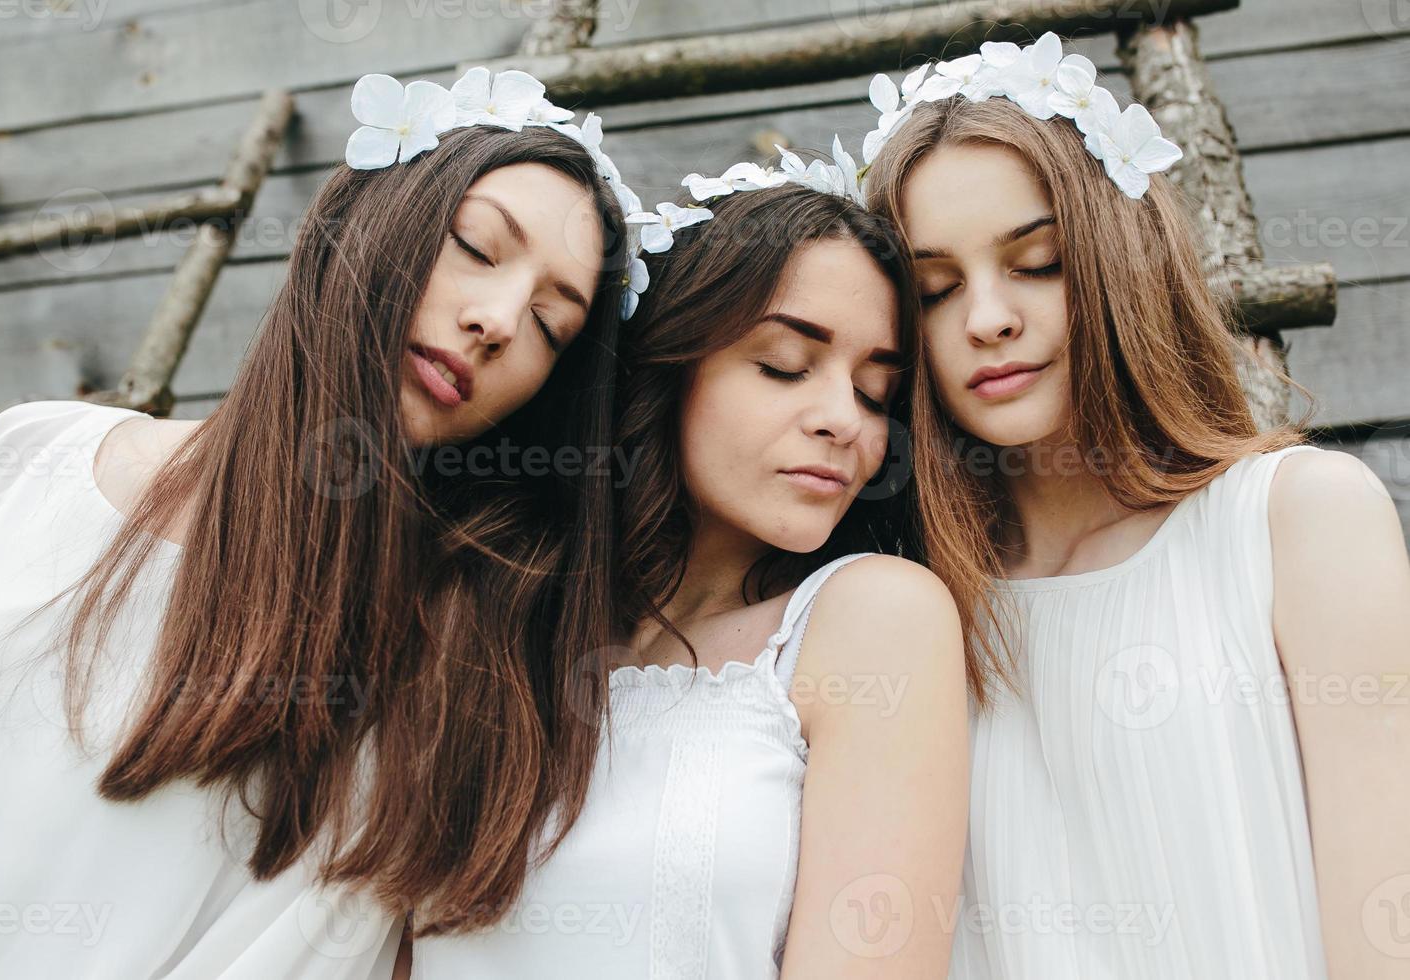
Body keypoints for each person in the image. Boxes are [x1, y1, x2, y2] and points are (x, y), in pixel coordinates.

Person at [0, 66, 637, 978]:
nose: (499, 322)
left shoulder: (451, 662)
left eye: (551, 326)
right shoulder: (33, 456)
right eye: (475, 245)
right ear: (369, 221)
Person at [859, 32, 1410, 979]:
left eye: (1037, 263)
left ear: (1120, 261)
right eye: (937, 289)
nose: (986, 317)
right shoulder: (909, 603)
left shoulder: (1301, 521)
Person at [405, 144, 971, 978]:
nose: (844, 421)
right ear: (671, 366)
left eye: (874, 393)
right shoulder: (477, 609)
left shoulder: (872, 621)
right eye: (786, 365)